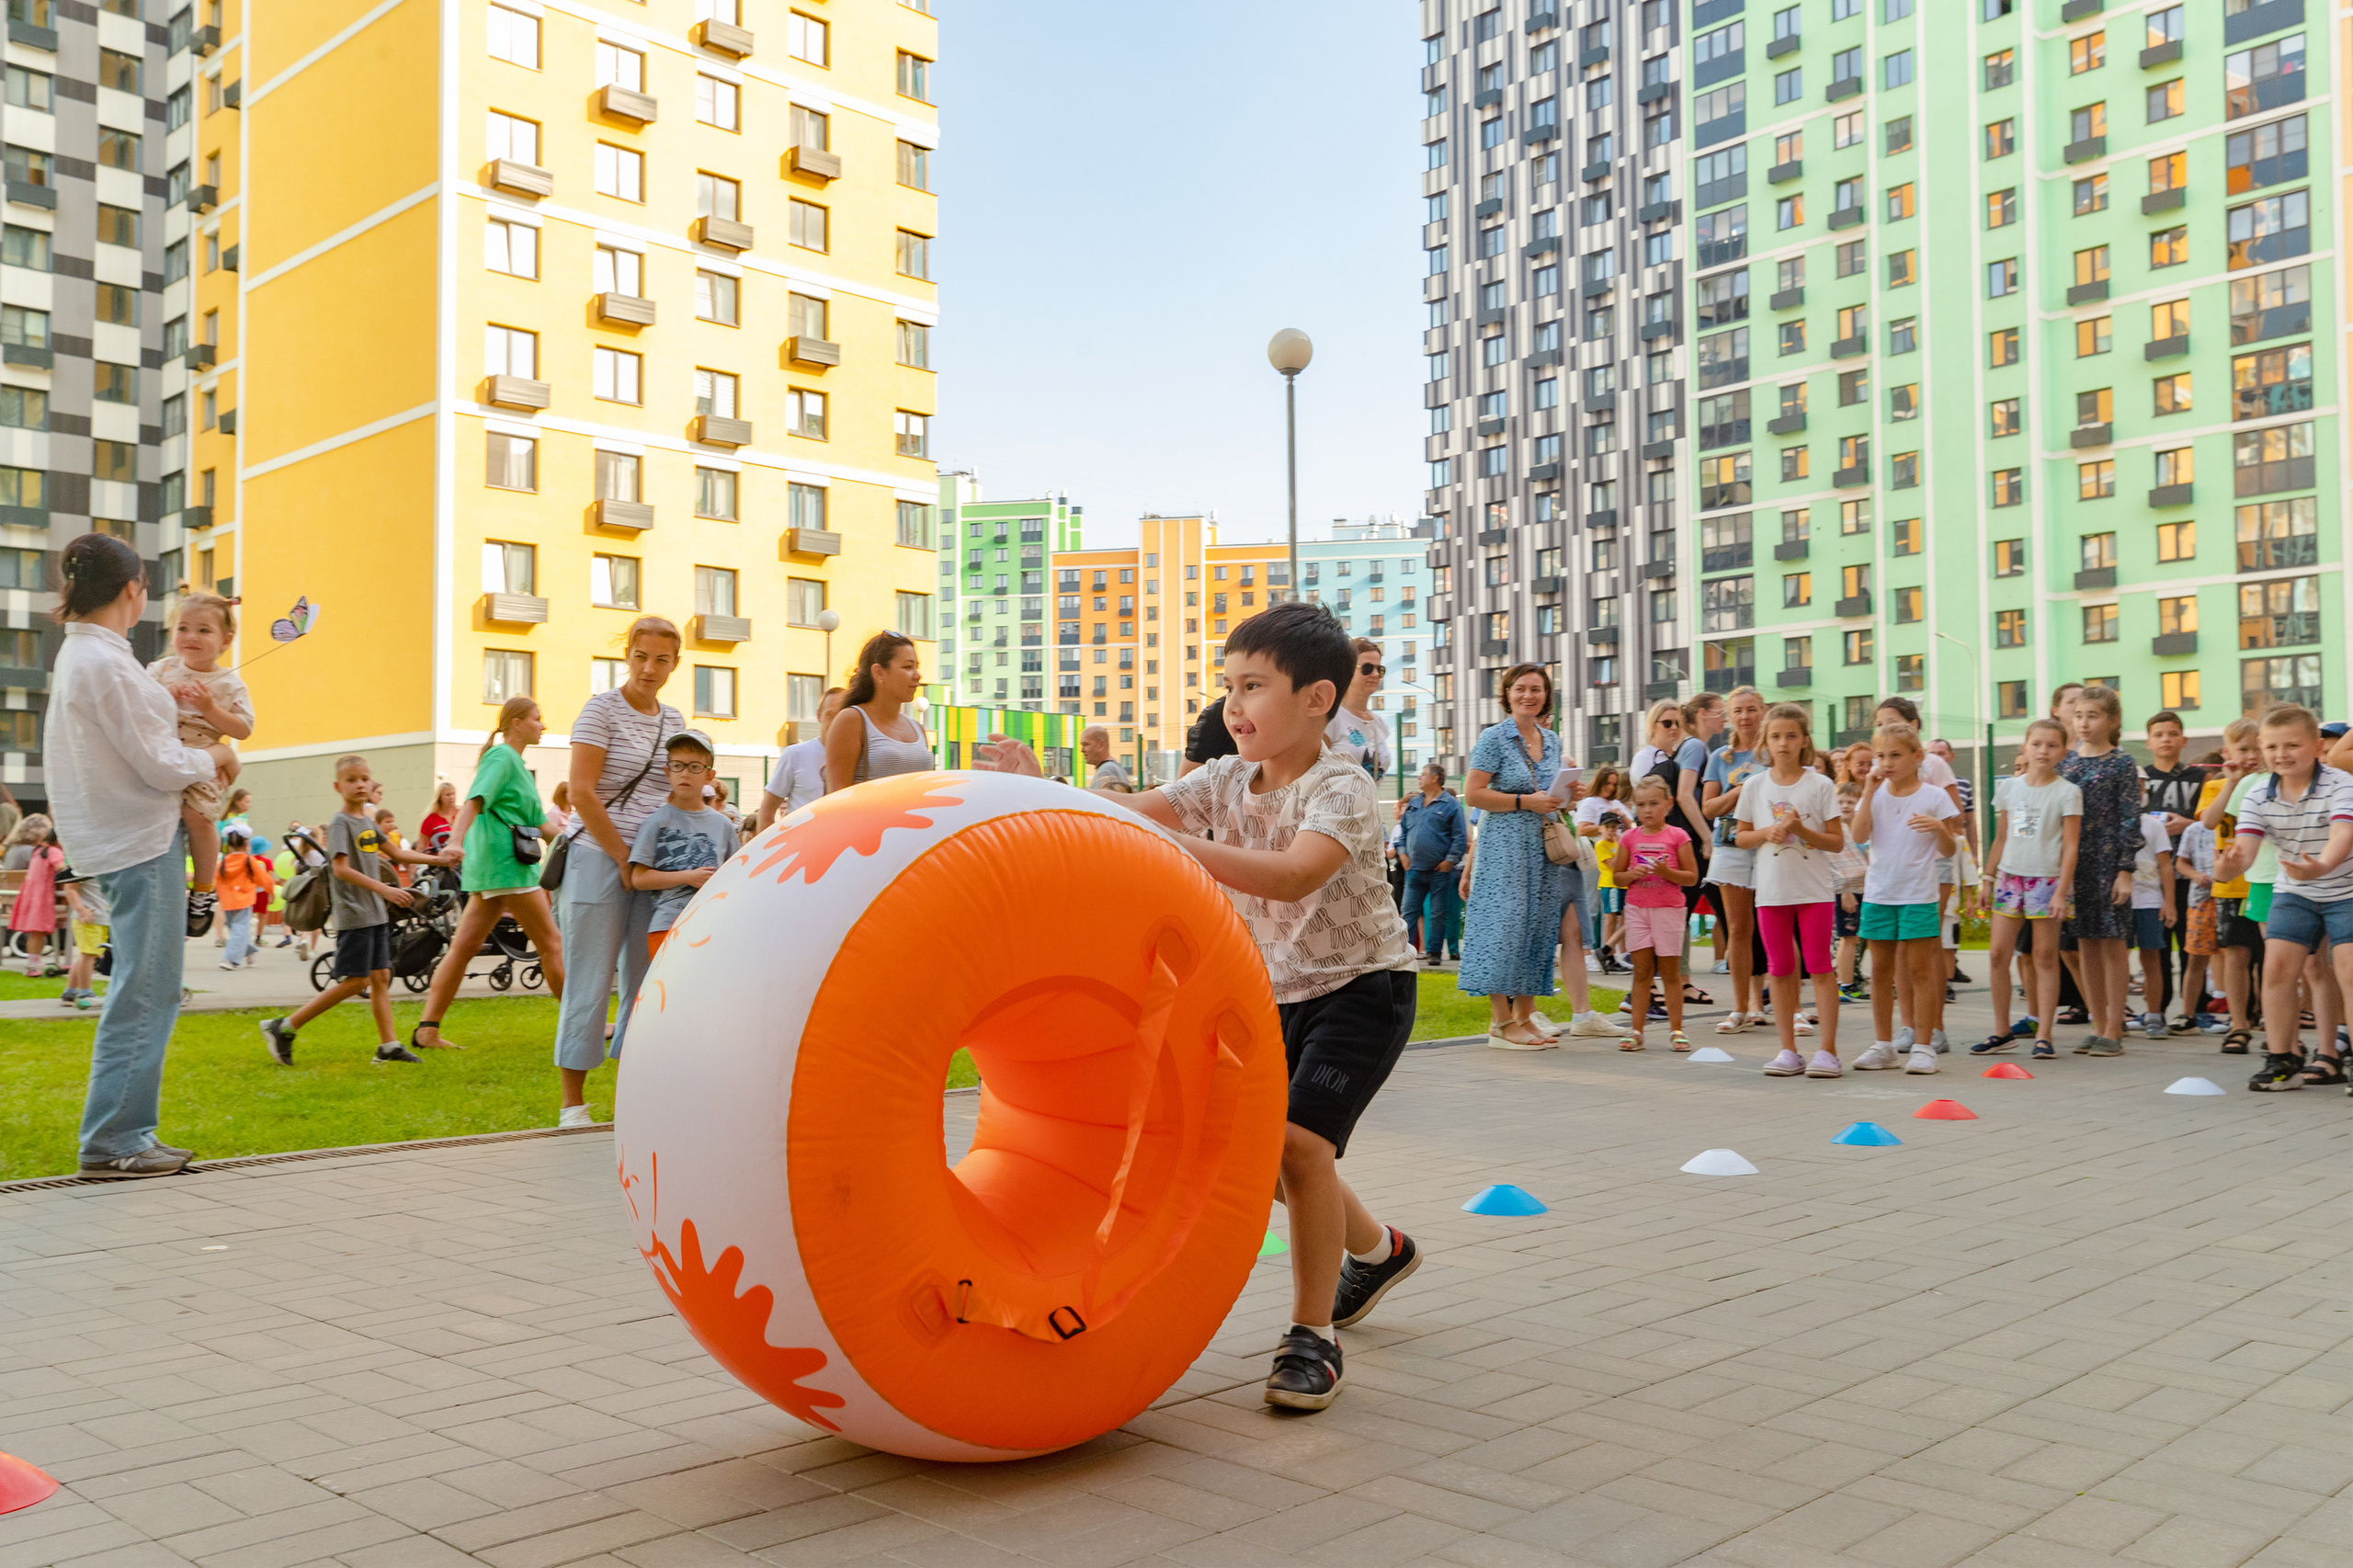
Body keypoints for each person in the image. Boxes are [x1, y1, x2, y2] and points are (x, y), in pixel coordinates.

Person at [972, 600, 1422, 1415]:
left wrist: (1174, 845)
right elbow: (1114, 813)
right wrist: (1041, 786)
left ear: (1317, 699)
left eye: (1253, 686)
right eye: (1227, 687)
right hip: (1274, 990)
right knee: (1271, 1154)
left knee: (1294, 1147)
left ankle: (1311, 1337)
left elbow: (1290, 875)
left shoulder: (1344, 788)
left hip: (1363, 989)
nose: (1233, 706)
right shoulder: (1221, 781)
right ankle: (1376, 1251)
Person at [47, 534, 238, 1176]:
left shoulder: (89, 656)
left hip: (122, 839)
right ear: (132, 590)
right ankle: (115, 1141)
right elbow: (159, 763)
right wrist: (214, 756)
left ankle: (125, 1134)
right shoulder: (105, 662)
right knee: (147, 993)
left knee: (144, 989)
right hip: (140, 841)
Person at [553, 617, 684, 1120]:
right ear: (626, 655)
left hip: (650, 865)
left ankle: (631, 1099)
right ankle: (573, 1104)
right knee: (589, 979)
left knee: (645, 980)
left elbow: (674, 789)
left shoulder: (673, 721)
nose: (649, 669)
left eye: (662, 660)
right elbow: (582, 793)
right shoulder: (600, 710)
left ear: (676, 664)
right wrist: (620, 857)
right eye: (641, 657)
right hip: (595, 858)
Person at [257, 754, 455, 1065]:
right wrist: (386, 889)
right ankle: (285, 1026)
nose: (360, 784)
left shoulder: (366, 821)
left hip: (374, 911)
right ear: (338, 786)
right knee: (356, 981)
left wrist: (440, 859)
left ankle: (388, 1047)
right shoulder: (340, 823)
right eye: (352, 780)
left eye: (364, 778)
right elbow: (340, 869)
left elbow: (397, 853)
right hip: (354, 913)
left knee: (380, 976)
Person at [1459, 663, 1616, 1048]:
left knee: (1538, 929)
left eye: (1537, 689)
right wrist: (1524, 801)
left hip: (1543, 849)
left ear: (1547, 695)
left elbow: (1549, 795)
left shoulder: (1552, 740)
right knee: (1504, 930)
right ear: (1507, 694)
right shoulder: (1494, 738)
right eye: (1521, 689)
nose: (1529, 695)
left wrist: (1568, 795)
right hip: (1504, 848)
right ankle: (1500, 1022)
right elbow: (1474, 793)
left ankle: (1524, 1016)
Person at [409, 696, 571, 1064]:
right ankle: (580, 1023)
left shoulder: (515, 764)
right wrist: (453, 840)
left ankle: (427, 1030)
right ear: (516, 722)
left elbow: (543, 826)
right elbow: (474, 802)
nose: (543, 726)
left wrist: (577, 844)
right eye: (537, 719)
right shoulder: (501, 758)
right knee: (551, 944)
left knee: (463, 948)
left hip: (495, 868)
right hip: (507, 866)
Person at [2213, 705, 2353, 1093]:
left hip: (2346, 889)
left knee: (2348, 970)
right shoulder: (2258, 793)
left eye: (2293, 745)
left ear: (2317, 746)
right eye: (2272, 746)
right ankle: (2283, 1061)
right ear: (2260, 748)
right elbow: (2243, 852)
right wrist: (2227, 867)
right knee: (2275, 970)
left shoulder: (2341, 784)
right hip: (2295, 890)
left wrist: (2322, 866)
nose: (2282, 754)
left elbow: (2344, 835)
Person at [1735, 703, 1845, 1076]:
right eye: (1776, 736)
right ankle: (1788, 1050)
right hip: (1771, 893)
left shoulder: (1821, 784)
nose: (1783, 743)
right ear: (1766, 741)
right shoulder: (1754, 785)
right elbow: (1742, 837)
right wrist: (1769, 832)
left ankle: (1827, 1050)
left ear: (1804, 741)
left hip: (1813, 892)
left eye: (1791, 736)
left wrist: (1801, 831)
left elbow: (1836, 842)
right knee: (1779, 969)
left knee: (1819, 967)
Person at [1850, 722, 1960, 1074]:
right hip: (1880, 893)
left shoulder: (1934, 796)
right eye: (1881, 756)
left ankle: (1924, 1047)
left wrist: (1940, 829)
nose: (1887, 762)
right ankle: (1884, 1045)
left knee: (1920, 972)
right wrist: (1868, 793)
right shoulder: (1876, 795)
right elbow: (1859, 835)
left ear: (1917, 757)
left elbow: (1948, 849)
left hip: (1918, 895)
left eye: (1895, 755)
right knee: (1880, 972)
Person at [146, 591, 252, 939]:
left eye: (204, 631)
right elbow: (137, 706)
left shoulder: (229, 683)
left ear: (226, 640)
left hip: (203, 749)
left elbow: (243, 729)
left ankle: (204, 890)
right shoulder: (160, 670)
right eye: (183, 627)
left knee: (200, 817)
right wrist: (166, 696)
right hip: (162, 747)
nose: (191, 637)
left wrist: (210, 708)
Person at [1973, 719, 2082, 1061]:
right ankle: (2001, 1030)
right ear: (2025, 747)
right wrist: (1988, 879)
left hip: (2046, 882)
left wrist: (2061, 892)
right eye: (2037, 744)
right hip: (2010, 879)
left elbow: (2070, 846)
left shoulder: (2068, 791)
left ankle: (2044, 1035)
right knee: (1997, 955)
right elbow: (2002, 837)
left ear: (2063, 751)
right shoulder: (2010, 788)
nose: (2043, 751)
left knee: (2045, 957)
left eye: (2052, 745)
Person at [2059, 685, 2143, 1057]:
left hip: (2109, 862)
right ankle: (2096, 1023)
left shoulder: (2121, 763)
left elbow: (2130, 819)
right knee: (2085, 944)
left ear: (2113, 720)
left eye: (2092, 716)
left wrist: (2125, 869)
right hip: (2075, 864)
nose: (2084, 723)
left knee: (2113, 945)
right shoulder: (2066, 764)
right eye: (2078, 716)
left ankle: (2114, 1027)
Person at [629, 729, 738, 966]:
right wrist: (689, 877)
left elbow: (736, 875)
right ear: (667, 772)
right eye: (677, 766)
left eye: (695, 767)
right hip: (667, 926)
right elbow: (638, 878)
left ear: (710, 775)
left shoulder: (722, 826)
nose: (685, 773)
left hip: (711, 925)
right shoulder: (655, 822)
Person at [1612, 777, 1697, 1051]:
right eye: (1640, 805)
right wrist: (1631, 874)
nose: (1647, 810)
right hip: (1638, 910)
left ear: (1668, 804)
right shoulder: (1629, 837)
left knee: (1670, 973)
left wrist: (1667, 873)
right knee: (1642, 972)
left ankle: (1677, 1030)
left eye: (1653, 804)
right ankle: (1636, 1031)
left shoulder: (1678, 836)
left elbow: (1692, 877)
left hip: (1669, 911)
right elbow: (1617, 877)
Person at [1700, 687, 1767, 1033]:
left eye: (1752, 709)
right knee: (1739, 929)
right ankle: (1741, 1007)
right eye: (1738, 711)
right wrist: (1742, 790)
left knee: (1771, 927)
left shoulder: (1776, 750)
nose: (1745, 717)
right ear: (1730, 716)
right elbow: (1708, 807)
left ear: (1763, 711)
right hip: (1730, 846)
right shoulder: (1720, 758)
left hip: (1770, 847)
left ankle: (1771, 1003)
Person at [2198, 720, 2265, 1054]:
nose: (2251, 755)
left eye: (2257, 748)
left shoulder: (2275, 782)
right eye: (2243, 750)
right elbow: (2209, 821)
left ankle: (2271, 1019)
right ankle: (2239, 1025)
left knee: (2269, 961)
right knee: (2237, 956)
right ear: (2227, 753)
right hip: (2231, 886)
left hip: (2264, 881)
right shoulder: (2217, 786)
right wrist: (2232, 782)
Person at [2142, 710, 2203, 1021]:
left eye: (2172, 733)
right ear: (2148, 742)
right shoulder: (2139, 779)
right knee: (2158, 948)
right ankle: (2158, 1009)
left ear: (2184, 740)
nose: (2166, 739)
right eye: (2159, 734)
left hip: (2191, 875)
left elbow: (2213, 821)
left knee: (2193, 945)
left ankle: (2194, 1010)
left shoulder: (2199, 778)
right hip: (2152, 878)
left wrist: (2188, 824)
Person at [824, 631, 933, 790]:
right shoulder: (852, 720)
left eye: (917, 667)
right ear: (879, 672)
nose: (917, 675)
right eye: (908, 667)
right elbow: (837, 797)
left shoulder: (917, 728)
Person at [1399, 761, 1467, 965]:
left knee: (1438, 913)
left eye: (1422, 774)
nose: (1419, 777)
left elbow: (1460, 837)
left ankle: (1434, 953)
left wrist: (1449, 861)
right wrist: (1402, 853)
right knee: (1408, 911)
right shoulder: (1413, 804)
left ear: (1435, 778)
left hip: (1440, 871)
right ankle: (1407, 952)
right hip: (1414, 871)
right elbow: (1402, 834)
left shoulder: (1451, 804)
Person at [756, 686, 847, 830]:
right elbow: (767, 810)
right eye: (830, 715)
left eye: (841, 715)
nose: (836, 721)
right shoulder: (795, 754)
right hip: (800, 847)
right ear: (819, 716)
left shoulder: (860, 758)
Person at [2128, 800, 2178, 1040]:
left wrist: (2169, 902)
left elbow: (2166, 866)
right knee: (2116, 959)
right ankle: (2115, 1017)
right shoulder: (2110, 822)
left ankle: (2154, 1015)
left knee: (2152, 957)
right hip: (2119, 901)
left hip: (2149, 901)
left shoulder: (2152, 825)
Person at [4, 813, 64, 978]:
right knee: (39, 931)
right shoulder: (52, 852)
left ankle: (33, 963)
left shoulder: (37, 852)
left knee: (35, 932)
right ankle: (35, 965)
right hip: (42, 896)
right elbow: (61, 867)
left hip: (25, 895)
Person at [2177, 809, 2220, 1034]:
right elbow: (2181, 862)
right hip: (2202, 899)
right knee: (2196, 957)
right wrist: (2195, 875)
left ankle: (2244, 1015)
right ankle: (2187, 1013)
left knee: (2237, 958)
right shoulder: (2194, 829)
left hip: (2232, 895)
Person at [1324, 639, 1391, 780]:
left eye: (1379, 669)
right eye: (1367, 668)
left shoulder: (1379, 724)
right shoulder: (1331, 717)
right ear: (1347, 670)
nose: (1375, 674)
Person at [1829, 780, 1870, 1002]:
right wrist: (1845, 891)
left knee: (1858, 938)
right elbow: (1836, 862)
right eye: (1840, 801)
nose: (1845, 805)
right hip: (1847, 890)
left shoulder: (1862, 828)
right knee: (1848, 938)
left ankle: (1851, 982)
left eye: (1850, 802)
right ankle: (1844, 984)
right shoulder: (1838, 830)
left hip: (1867, 888)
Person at [213, 827, 274, 971]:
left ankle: (232, 958)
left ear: (228, 845)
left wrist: (220, 896)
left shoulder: (224, 862)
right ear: (247, 843)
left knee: (236, 930)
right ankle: (237, 957)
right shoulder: (249, 860)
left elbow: (218, 880)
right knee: (240, 931)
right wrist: (270, 890)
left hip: (228, 900)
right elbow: (263, 877)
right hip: (244, 899)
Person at [58, 868, 107, 1009]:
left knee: (86, 955)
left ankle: (70, 992)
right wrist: (81, 909)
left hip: (99, 918)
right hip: (88, 918)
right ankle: (86, 993)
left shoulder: (103, 865)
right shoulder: (85, 865)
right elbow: (69, 887)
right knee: (88, 956)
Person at [1182, 694, 1237, 775]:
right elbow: (1185, 783)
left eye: (1252, 686)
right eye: (1229, 688)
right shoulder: (1216, 717)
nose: (1229, 708)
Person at [1081, 724, 1135, 792]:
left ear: (1101, 745)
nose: (1082, 750)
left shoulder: (1106, 770)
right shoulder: (1117, 767)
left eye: (1086, 744)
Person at [420, 779, 459, 851]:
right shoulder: (430, 820)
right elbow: (421, 846)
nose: (452, 797)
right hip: (439, 859)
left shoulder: (461, 814)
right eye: (448, 795)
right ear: (440, 798)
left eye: (453, 794)